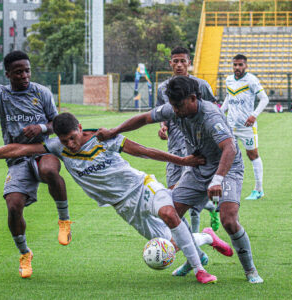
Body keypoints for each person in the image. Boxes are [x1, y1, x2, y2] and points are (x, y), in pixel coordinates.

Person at [0, 112, 234, 284]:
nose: (71, 144)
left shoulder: (103, 138)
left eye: (73, 137)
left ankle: (200, 271)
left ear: (79, 127)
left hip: (142, 186)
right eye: (65, 140)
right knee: (168, 246)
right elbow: (19, 149)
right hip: (124, 207)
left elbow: (146, 151)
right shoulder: (58, 147)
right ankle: (206, 237)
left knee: (170, 214)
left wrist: (182, 160)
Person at [95, 76, 264, 284]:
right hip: (197, 166)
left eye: (179, 105)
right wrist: (115, 131)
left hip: (226, 168)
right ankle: (196, 256)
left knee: (229, 220)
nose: (174, 110)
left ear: (193, 98)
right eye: (173, 105)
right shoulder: (174, 108)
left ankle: (250, 270)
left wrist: (218, 179)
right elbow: (145, 118)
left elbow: (230, 148)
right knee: (171, 213)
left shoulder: (211, 116)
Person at [0, 51, 72, 279]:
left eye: (27, 70)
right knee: (13, 206)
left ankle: (64, 219)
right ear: (8, 74)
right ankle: (24, 253)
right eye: (18, 72)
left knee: (49, 170)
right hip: (17, 157)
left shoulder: (42, 92)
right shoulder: (1, 94)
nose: (24, 76)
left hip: (43, 149)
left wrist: (41, 128)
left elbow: (56, 123)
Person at [156, 46, 220, 235]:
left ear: (189, 63)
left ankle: (193, 237)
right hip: (174, 148)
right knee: (172, 194)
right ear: (170, 64)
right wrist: (163, 127)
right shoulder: (163, 89)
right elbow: (161, 113)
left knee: (187, 194)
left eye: (183, 61)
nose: (179, 65)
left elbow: (214, 108)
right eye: (175, 61)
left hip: (195, 148)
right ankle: (208, 208)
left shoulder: (201, 85)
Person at [221, 54, 269, 201]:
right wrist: (220, 113)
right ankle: (224, 187)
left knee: (252, 155)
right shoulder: (229, 79)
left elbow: (264, 99)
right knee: (225, 154)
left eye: (240, 65)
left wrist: (254, 115)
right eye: (235, 65)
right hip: (231, 125)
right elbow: (229, 98)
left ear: (246, 66)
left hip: (247, 127)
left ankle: (259, 189)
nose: (237, 68)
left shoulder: (251, 80)